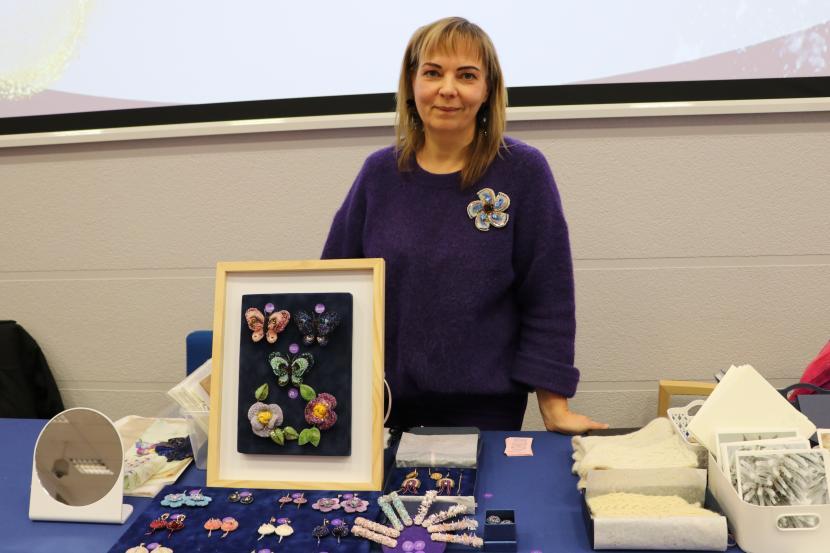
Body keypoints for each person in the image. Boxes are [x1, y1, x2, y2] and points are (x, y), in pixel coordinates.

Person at [322, 17, 607, 433]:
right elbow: (332, 288)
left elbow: (548, 297)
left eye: (467, 75)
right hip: (382, 407)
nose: (448, 89)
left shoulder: (523, 172)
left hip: (486, 413)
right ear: (411, 83)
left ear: (488, 89)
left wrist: (554, 406)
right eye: (433, 73)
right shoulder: (378, 174)